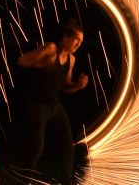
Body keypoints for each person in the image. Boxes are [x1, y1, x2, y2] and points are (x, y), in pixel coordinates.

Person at [9, 19, 90, 184]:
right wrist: (38, 59)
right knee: (36, 148)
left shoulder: (71, 60)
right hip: (38, 105)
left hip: (55, 106)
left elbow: (66, 87)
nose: (78, 44)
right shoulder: (50, 49)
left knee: (68, 144)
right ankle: (26, 181)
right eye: (76, 40)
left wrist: (79, 86)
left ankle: (66, 180)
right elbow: (22, 60)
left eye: (81, 42)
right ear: (66, 36)